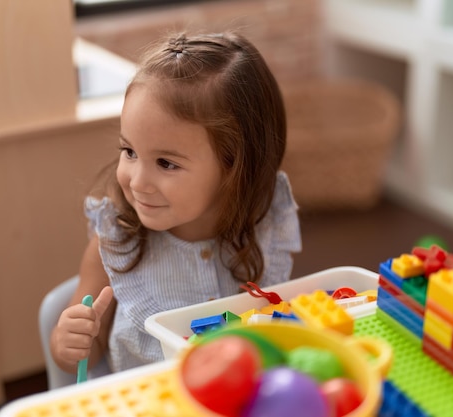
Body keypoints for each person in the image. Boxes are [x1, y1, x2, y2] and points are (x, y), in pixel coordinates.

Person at [50, 31, 302, 377]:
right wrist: (71, 342)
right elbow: (80, 360)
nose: (136, 182)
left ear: (235, 167)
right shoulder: (114, 243)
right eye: (130, 152)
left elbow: (276, 325)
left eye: (166, 163)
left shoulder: (265, 226)